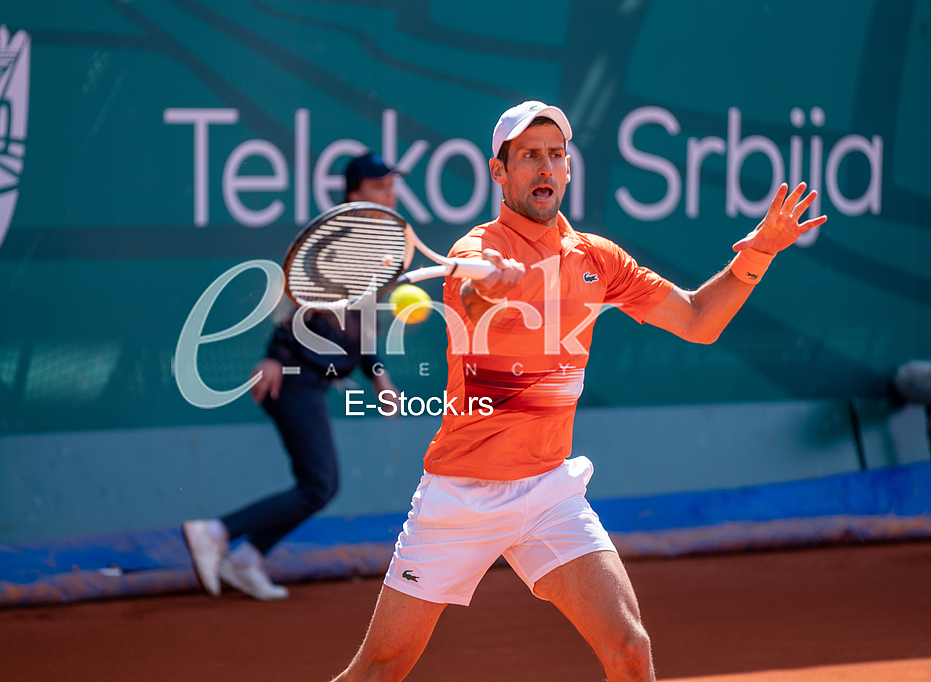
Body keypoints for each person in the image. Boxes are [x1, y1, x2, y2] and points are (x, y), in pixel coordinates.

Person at [331, 102, 826, 681]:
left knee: (629, 649)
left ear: (567, 168)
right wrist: (491, 288)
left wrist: (761, 251)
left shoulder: (597, 258)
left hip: (548, 490)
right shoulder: (477, 250)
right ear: (499, 172)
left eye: (555, 155)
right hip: (462, 494)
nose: (545, 167)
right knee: (381, 668)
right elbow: (468, 300)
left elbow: (698, 320)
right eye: (529, 156)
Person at [182, 152, 401, 600]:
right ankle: (217, 532)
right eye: (379, 187)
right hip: (293, 375)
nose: (389, 195)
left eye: (391, 186)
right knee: (319, 484)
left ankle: (246, 560)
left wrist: (378, 376)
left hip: (313, 379)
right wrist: (274, 357)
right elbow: (299, 303)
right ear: (354, 194)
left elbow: (360, 326)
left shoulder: (369, 247)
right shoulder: (338, 241)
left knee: (321, 485)